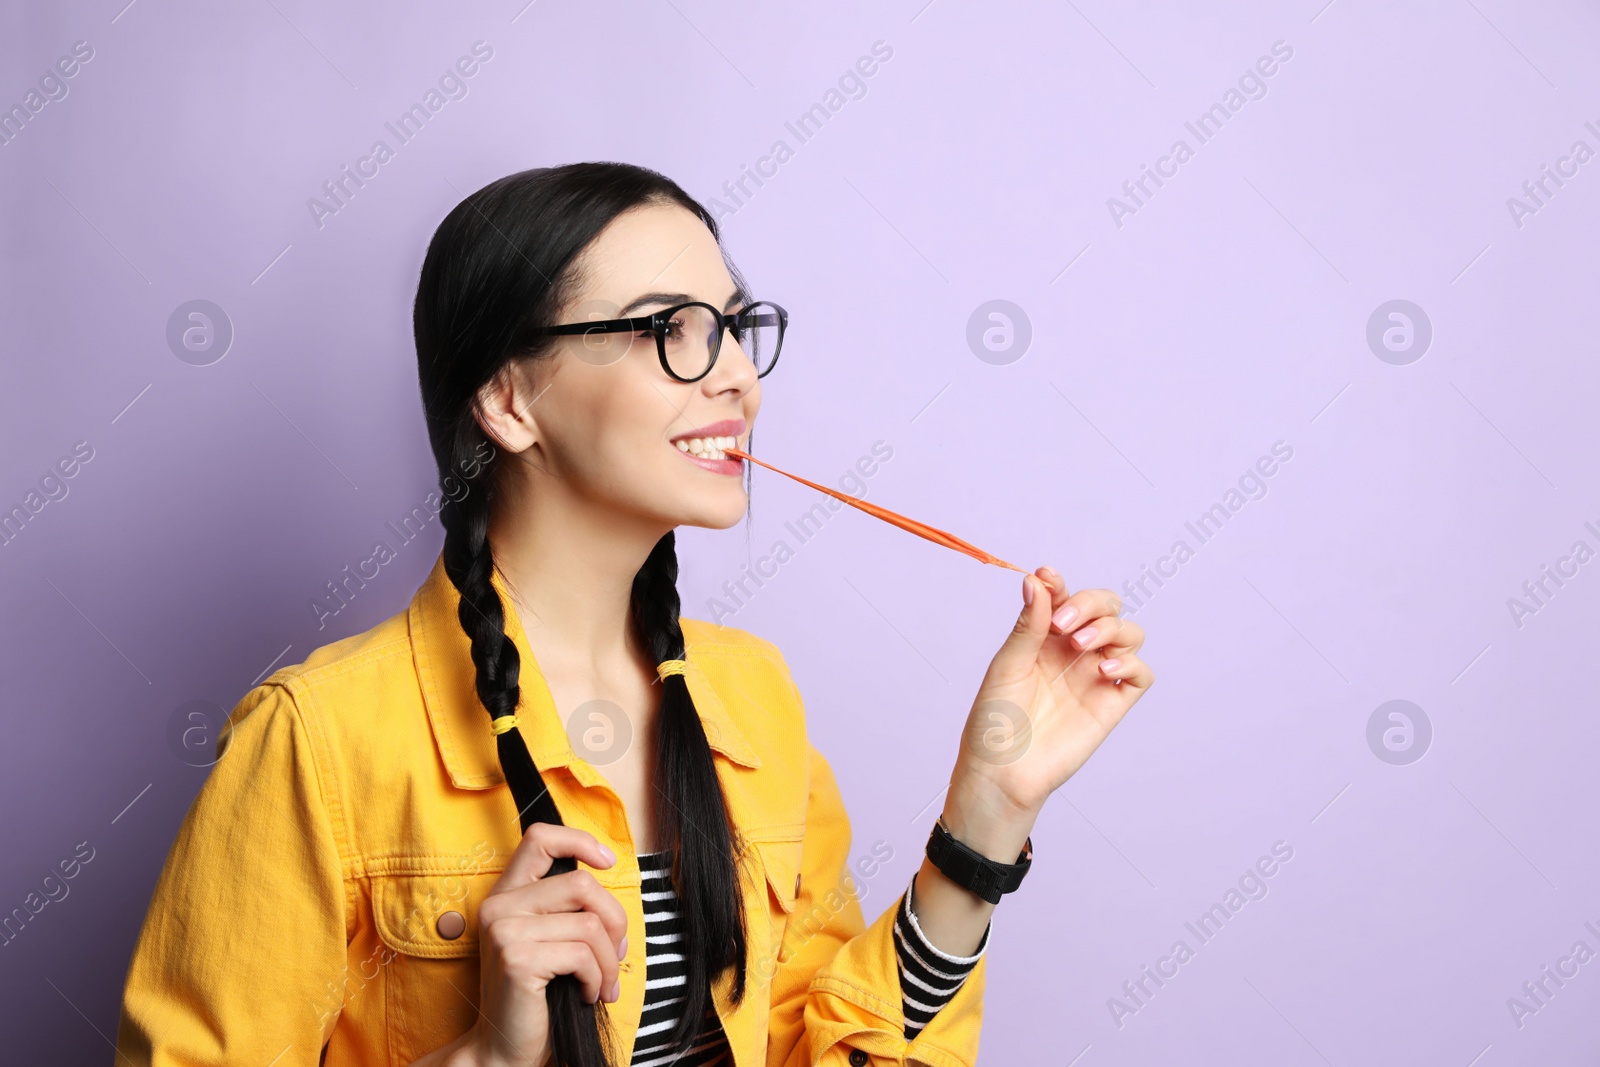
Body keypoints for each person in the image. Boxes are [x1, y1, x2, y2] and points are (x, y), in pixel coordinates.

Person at [114, 162, 1153, 1066]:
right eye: (672, 330)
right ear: (510, 401)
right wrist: (484, 1050)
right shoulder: (315, 741)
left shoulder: (754, 695)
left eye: (736, 327)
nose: (740, 377)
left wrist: (985, 819)